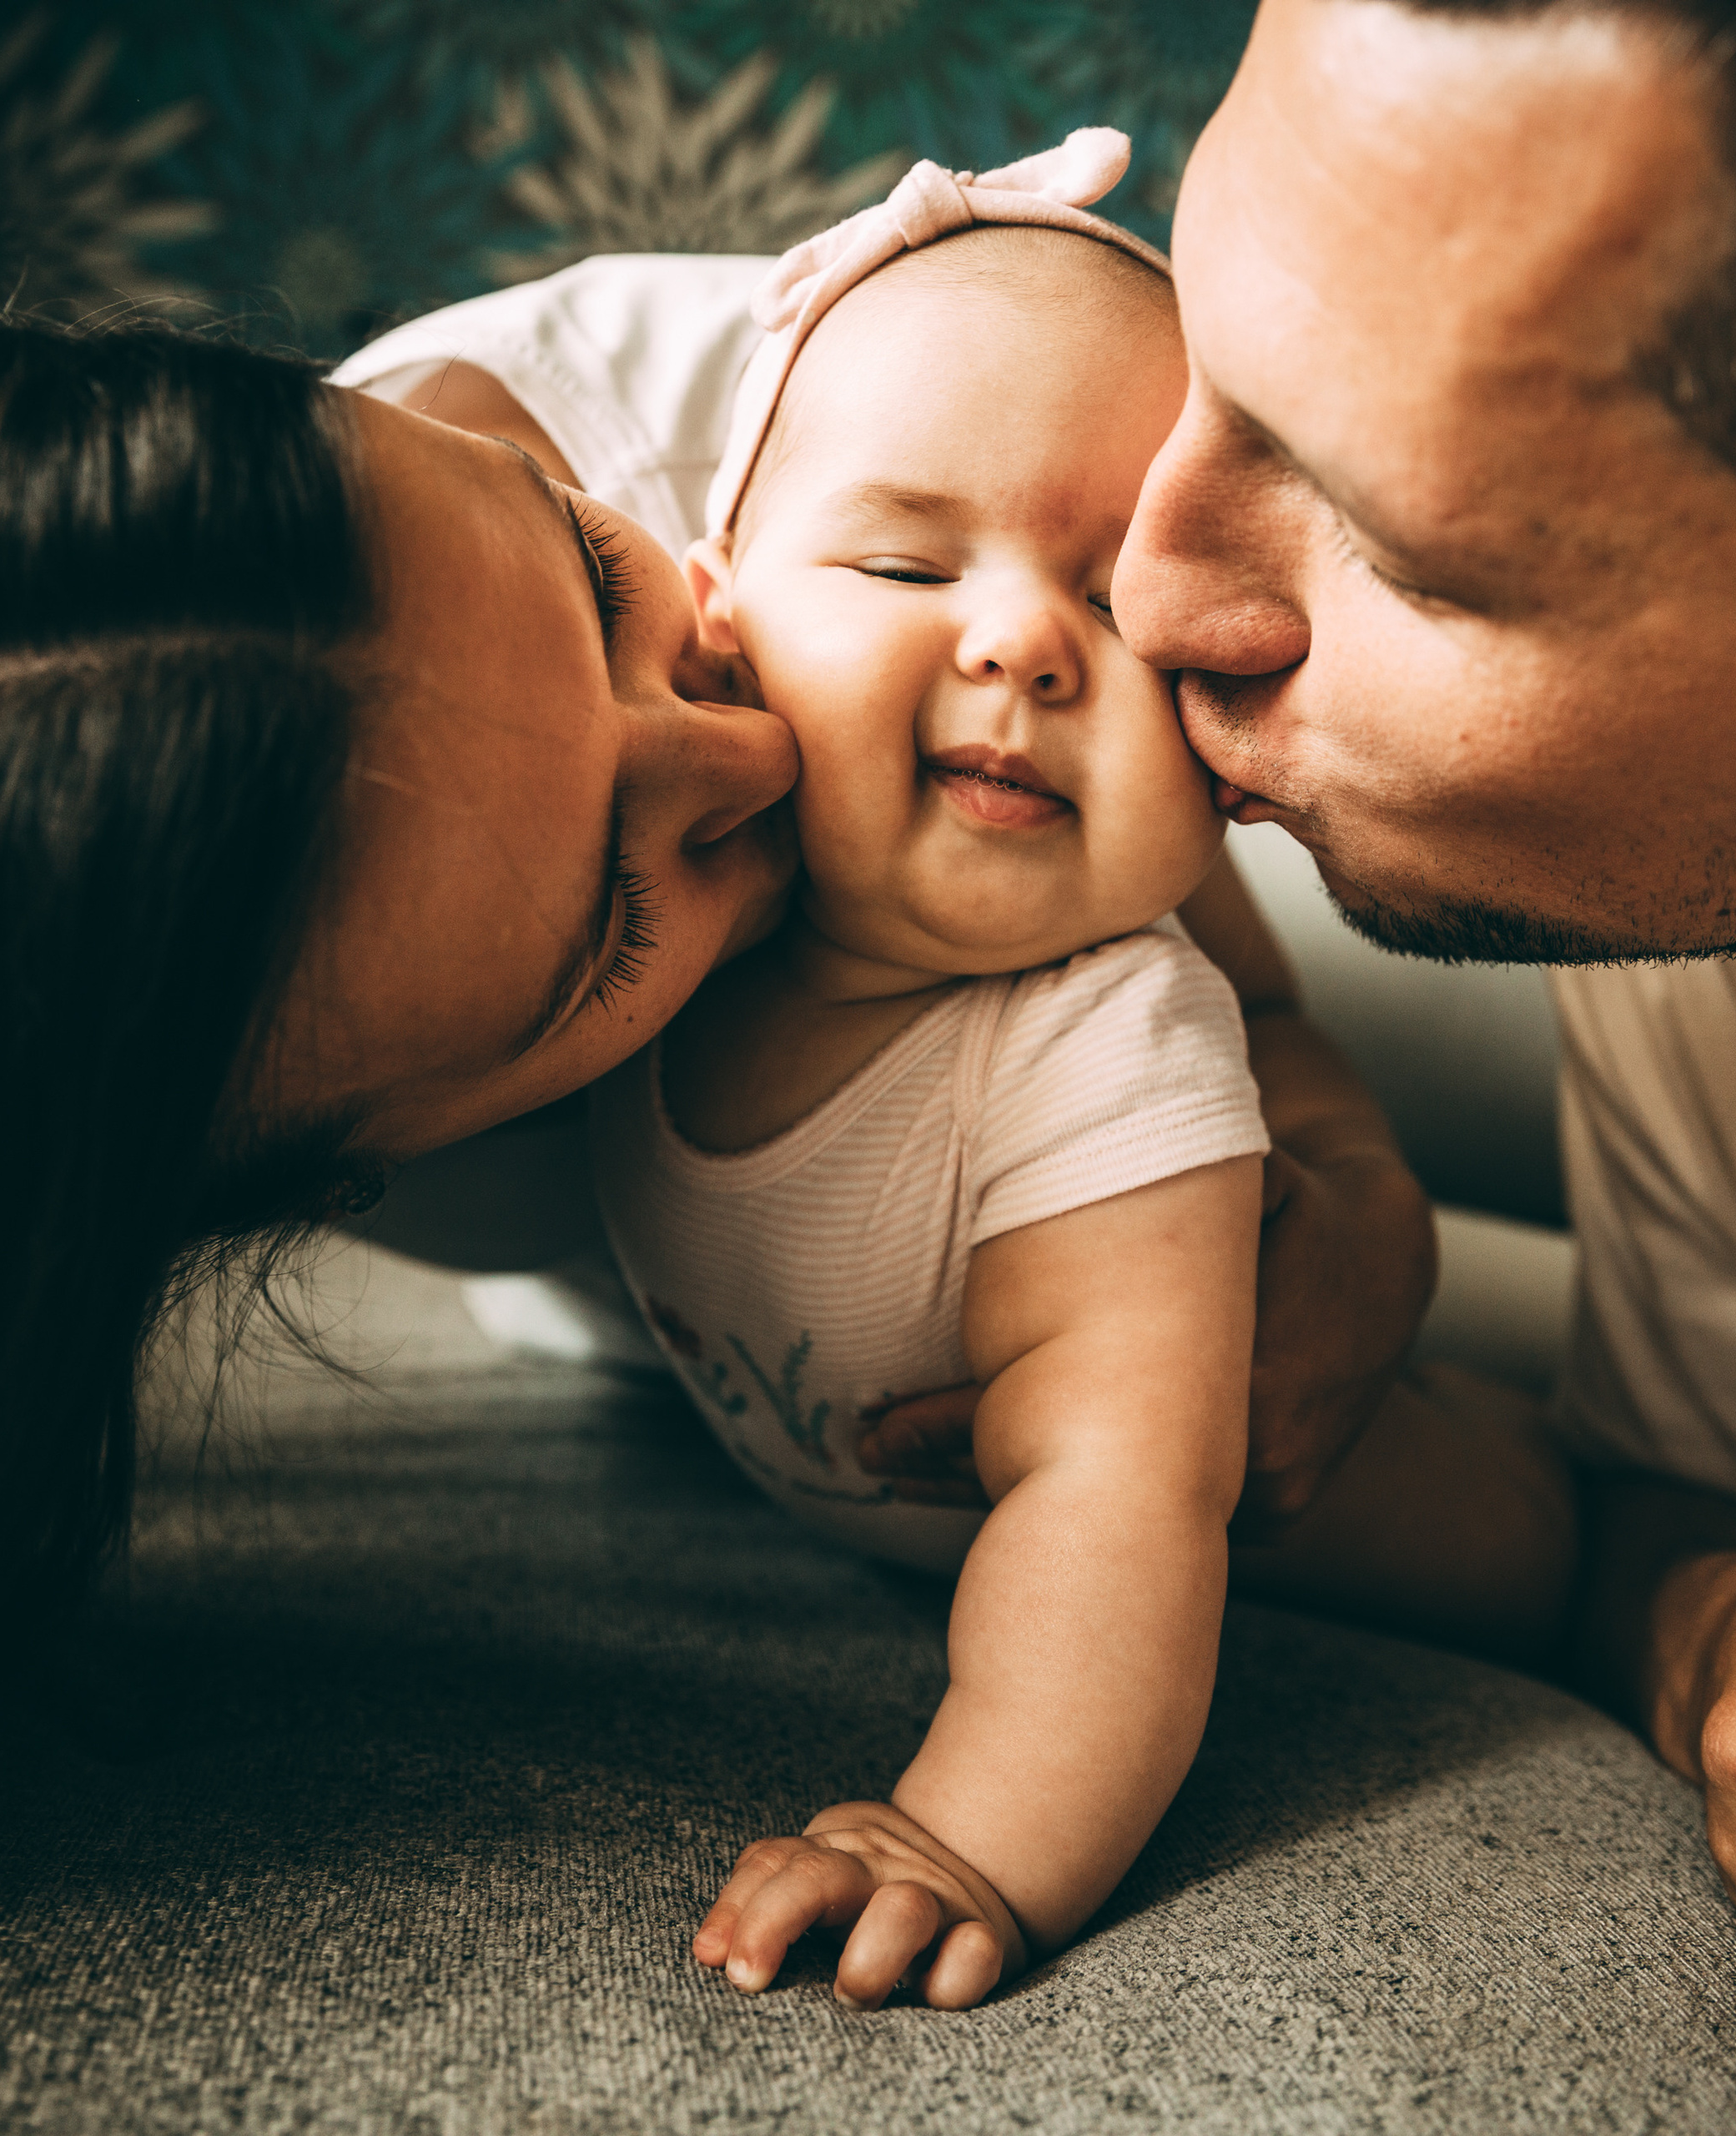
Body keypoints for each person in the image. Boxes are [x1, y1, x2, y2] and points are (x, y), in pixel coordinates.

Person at [1099, 0, 1736, 2123]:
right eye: (1196, 353)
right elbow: (1681, 1491)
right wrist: (1727, 1626)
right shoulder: (1708, 906)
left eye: (1400, 550)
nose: (1142, 590)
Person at [0, 309, 798, 1722]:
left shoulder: (836, 399)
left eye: (600, 567)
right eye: (615, 930)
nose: (765, 748)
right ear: (343, 1171)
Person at [601, 140, 1274, 2013]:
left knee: (1561, 1486)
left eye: (1126, 610)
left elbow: (1112, 1487)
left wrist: (968, 1827)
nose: (1019, 642)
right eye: (904, 560)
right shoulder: (646, 931)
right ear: (714, 613)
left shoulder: (1103, 1039)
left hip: (1368, 1501)